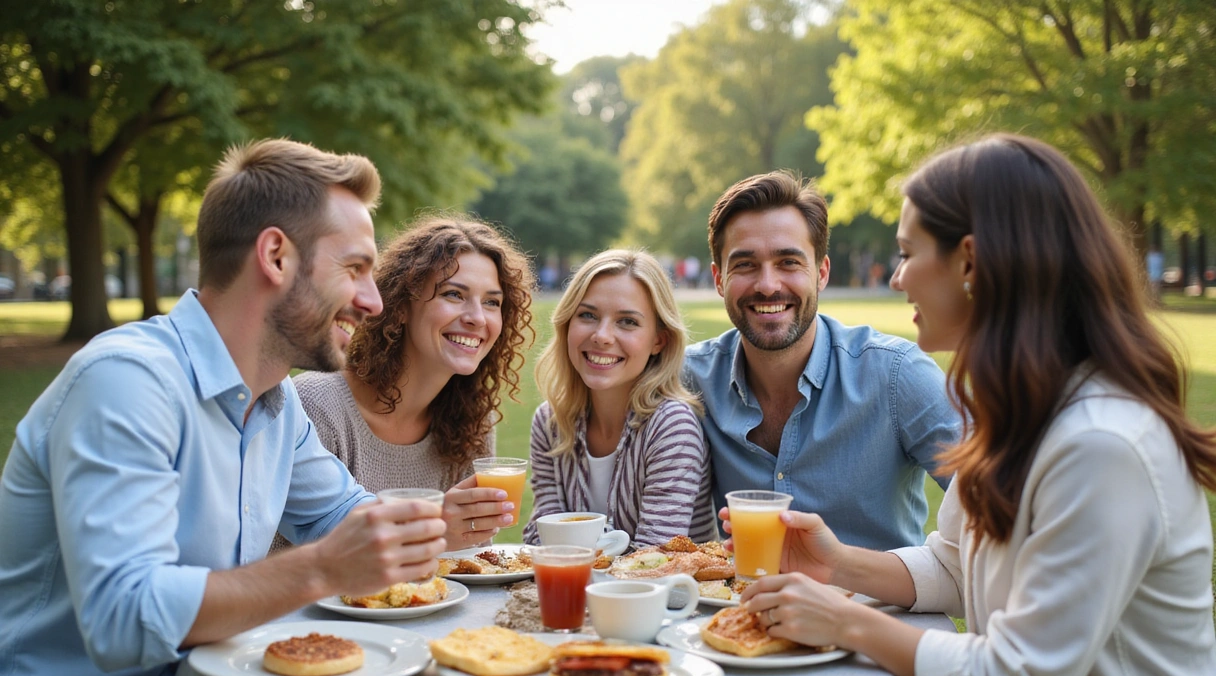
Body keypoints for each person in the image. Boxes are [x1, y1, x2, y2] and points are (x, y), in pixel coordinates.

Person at [731, 134, 1216, 676]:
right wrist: (839, 564)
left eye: (909, 253)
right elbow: (957, 567)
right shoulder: (1021, 414)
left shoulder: (1102, 444)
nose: (896, 278)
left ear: (969, 262)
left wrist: (844, 624)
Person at [0, 139, 448, 676]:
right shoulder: (126, 382)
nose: (373, 301)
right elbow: (121, 619)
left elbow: (341, 516)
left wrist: (426, 525)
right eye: (355, 268)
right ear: (276, 256)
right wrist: (323, 570)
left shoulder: (274, 401)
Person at [684, 171, 960, 551]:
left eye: (788, 262)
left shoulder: (896, 374)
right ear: (718, 279)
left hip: (881, 609)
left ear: (821, 273)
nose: (767, 284)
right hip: (745, 608)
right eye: (745, 265)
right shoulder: (688, 381)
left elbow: (1001, 509)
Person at [284, 215, 534, 551]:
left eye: (492, 302)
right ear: (400, 307)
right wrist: (431, 527)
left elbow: (466, 561)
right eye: (454, 294)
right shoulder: (319, 405)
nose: (477, 317)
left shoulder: (473, 421)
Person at [523, 249, 715, 548]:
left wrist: (567, 560)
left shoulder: (672, 425)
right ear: (567, 324)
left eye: (627, 322)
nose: (602, 336)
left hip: (673, 595)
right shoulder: (550, 422)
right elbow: (540, 540)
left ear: (658, 341)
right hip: (569, 592)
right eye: (587, 315)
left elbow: (653, 561)